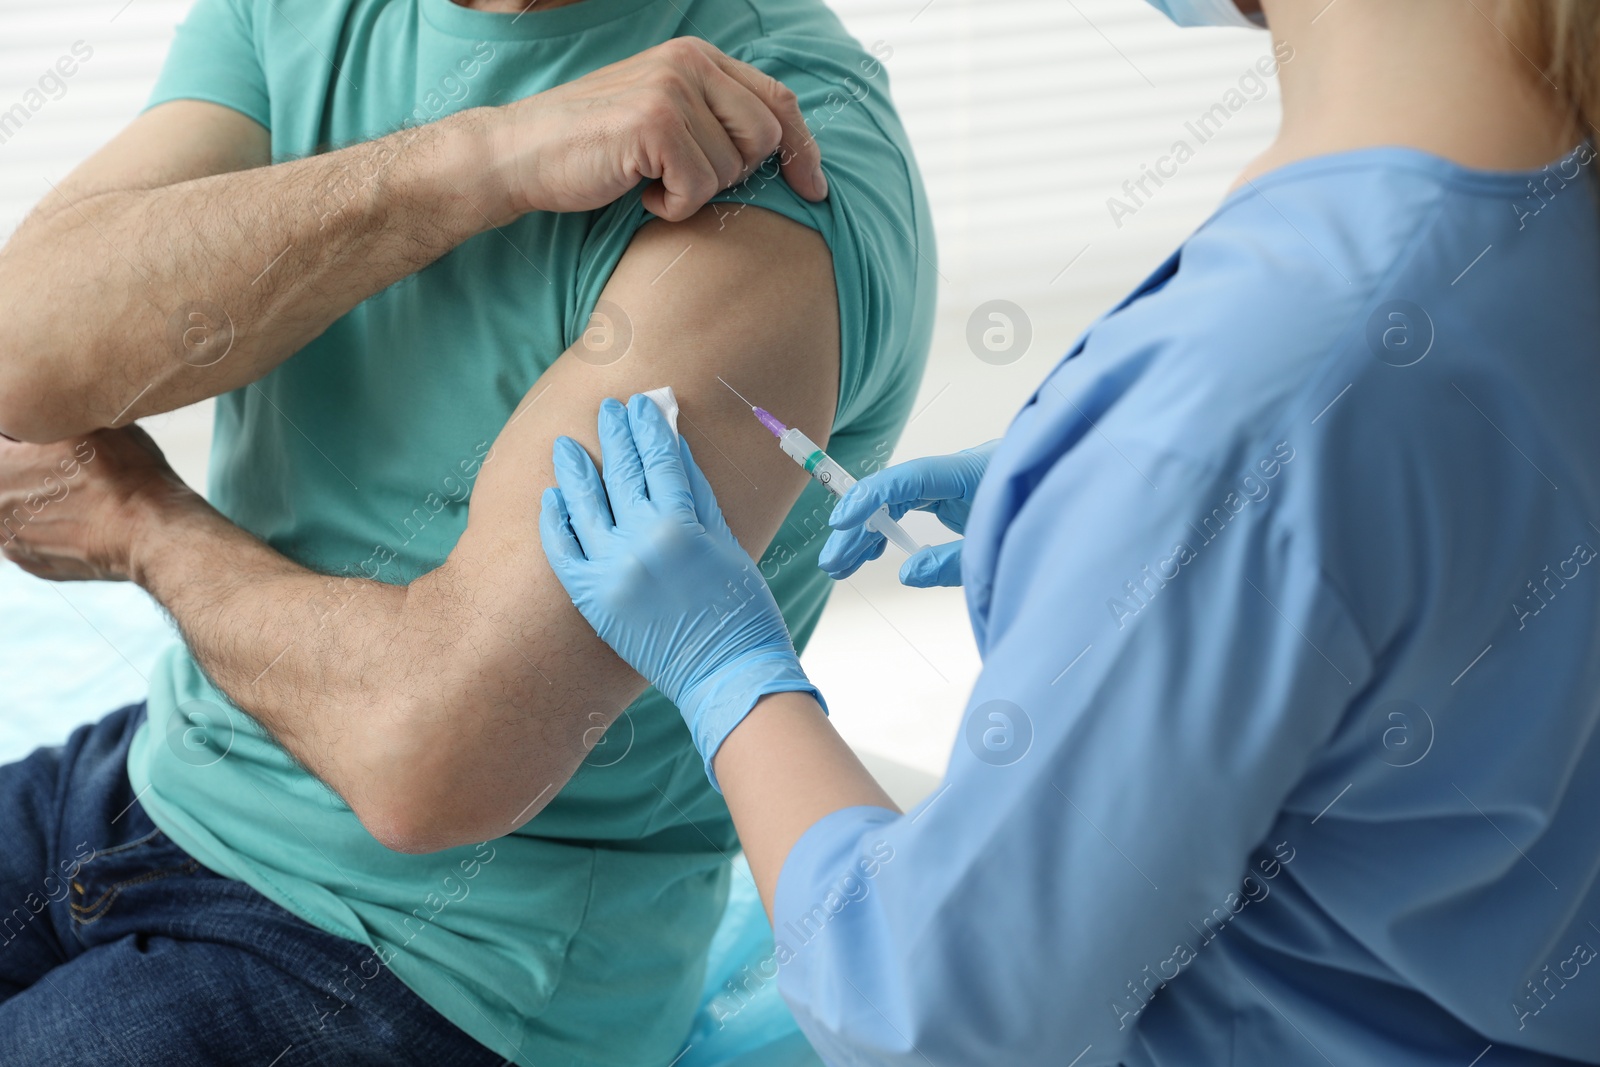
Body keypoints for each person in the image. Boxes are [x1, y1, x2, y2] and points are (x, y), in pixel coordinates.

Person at [538, 0, 1600, 1064]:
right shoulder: (1526, 226)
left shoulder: (1262, 385)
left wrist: (726, 667)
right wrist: (1098, 504)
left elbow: (939, 1010)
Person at [0, 0, 934, 1063]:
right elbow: (23, 349)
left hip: (445, 955)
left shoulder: (764, 162)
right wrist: (475, 156)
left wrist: (142, 528)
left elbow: (428, 761)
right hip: (166, 771)